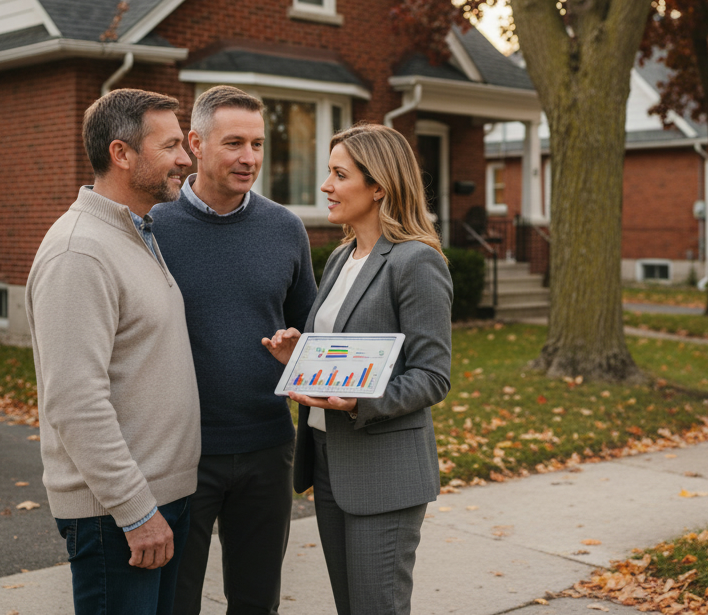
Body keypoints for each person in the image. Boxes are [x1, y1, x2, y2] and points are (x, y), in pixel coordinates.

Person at [262, 123, 452, 615]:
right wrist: (302, 359)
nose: (325, 186)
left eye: (339, 174)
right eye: (328, 173)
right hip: (329, 459)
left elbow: (433, 375)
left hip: (384, 474)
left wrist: (363, 401)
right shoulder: (342, 257)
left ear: (379, 187)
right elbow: (346, 355)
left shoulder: (416, 262)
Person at [25, 89, 199, 615]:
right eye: (170, 145)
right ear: (121, 154)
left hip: (158, 498)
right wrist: (135, 511)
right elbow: (75, 402)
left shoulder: (137, 232)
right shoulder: (80, 251)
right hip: (117, 514)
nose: (186, 159)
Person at [149, 85, 317, 615]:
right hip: (181, 452)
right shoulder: (153, 225)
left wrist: (299, 349)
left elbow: (307, 332)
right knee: (175, 603)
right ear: (195, 143)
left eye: (258, 144)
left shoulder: (286, 228)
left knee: (256, 601)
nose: (250, 158)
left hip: (268, 448)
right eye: (234, 143)